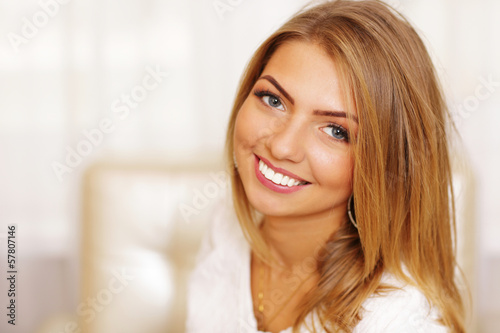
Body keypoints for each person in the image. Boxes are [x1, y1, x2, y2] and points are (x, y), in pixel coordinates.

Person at [186, 0, 466, 332]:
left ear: (387, 164)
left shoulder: (396, 322)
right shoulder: (227, 224)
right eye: (273, 100)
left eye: (336, 131)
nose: (282, 146)